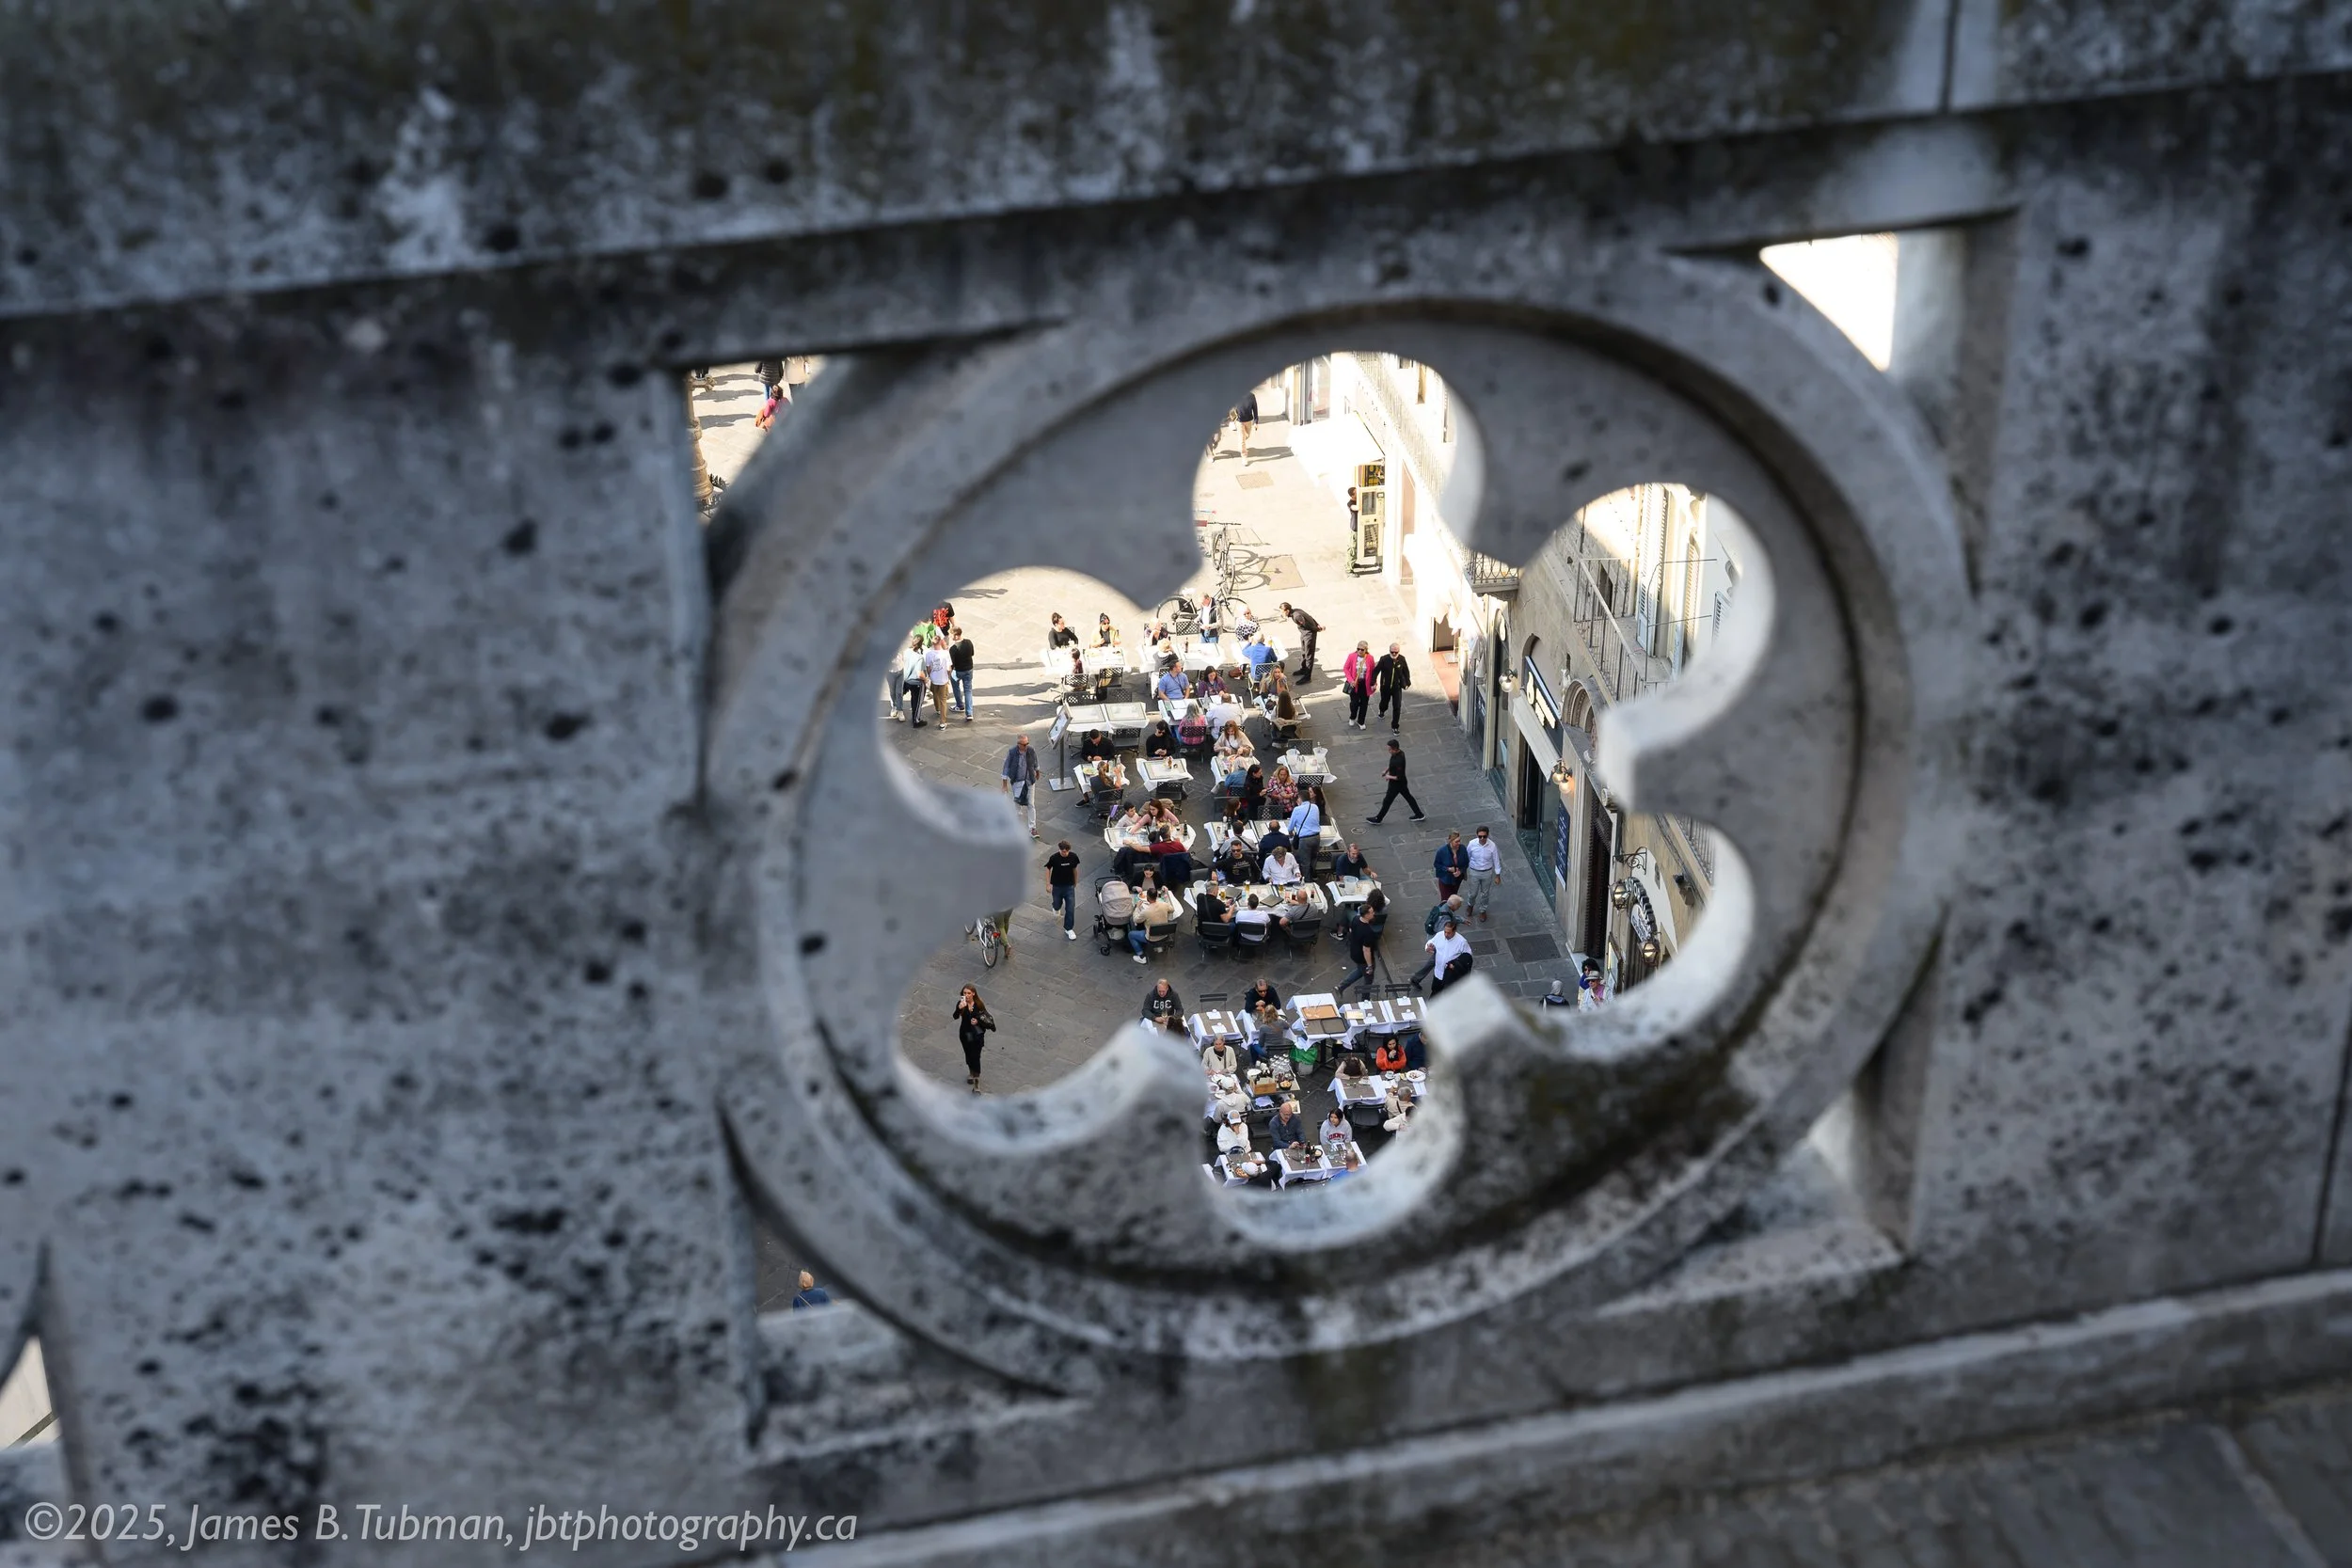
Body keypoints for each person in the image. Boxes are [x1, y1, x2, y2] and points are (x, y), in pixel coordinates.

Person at [1336, 888, 1389, 999]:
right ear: (1366, 915)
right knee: (1368, 978)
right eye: (1371, 913)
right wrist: (1370, 965)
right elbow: (1366, 950)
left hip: (1354, 951)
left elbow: (1351, 931)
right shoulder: (1368, 932)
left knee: (1360, 971)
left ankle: (1341, 986)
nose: (1373, 913)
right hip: (1362, 957)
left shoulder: (1355, 919)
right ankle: (1365, 999)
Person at [1409, 895, 1470, 990]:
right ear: (1453, 905)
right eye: (1458, 905)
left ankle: (1417, 978)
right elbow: (1443, 933)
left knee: (1434, 961)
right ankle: (1417, 978)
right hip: (1436, 941)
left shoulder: (1445, 904)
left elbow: (1452, 918)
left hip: (1433, 938)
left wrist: (1461, 920)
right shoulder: (1445, 919)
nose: (1459, 907)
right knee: (1435, 961)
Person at [1365, 739, 1425, 823]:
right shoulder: (1397, 753)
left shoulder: (1399, 760)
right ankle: (1419, 814)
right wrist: (1386, 770)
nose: (1388, 751)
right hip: (1401, 783)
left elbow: (1398, 777)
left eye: (1390, 749)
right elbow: (1392, 765)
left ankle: (1378, 819)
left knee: (1387, 801)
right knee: (1409, 798)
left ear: (1395, 749)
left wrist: (1388, 776)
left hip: (1396, 785)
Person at [953, 985, 995, 1092]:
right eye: (964, 993)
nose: (966, 995)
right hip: (966, 1034)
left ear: (973, 994)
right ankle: (971, 1072)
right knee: (968, 1054)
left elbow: (985, 1017)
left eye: (968, 993)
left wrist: (978, 1022)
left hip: (977, 1035)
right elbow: (955, 1016)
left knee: (976, 1057)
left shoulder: (979, 1004)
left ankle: (976, 1083)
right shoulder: (961, 1004)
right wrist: (959, 1009)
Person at [1129, 881, 1183, 962]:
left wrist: (1137, 907)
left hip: (1152, 938)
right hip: (1165, 935)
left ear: (1147, 898)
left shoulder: (1146, 912)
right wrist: (1166, 897)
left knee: (1131, 935)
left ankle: (1141, 956)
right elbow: (1172, 909)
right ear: (1157, 896)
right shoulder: (1164, 905)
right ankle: (1159, 946)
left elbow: (1136, 919)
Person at [1001, 734, 1041, 838]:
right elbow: (1006, 768)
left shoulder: (1031, 750)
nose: (1026, 746)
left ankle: (1032, 828)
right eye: (1024, 744)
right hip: (1017, 782)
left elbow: (1035, 761)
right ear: (1019, 744)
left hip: (1029, 781)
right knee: (1017, 804)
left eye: (1027, 743)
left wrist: (1037, 771)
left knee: (1031, 804)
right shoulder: (1012, 752)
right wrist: (1004, 785)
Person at [1463, 824, 1503, 921]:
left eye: (1484, 836)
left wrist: (1497, 875)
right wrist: (1464, 870)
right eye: (1480, 836)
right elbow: (1467, 857)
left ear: (1487, 835)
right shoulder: (1472, 844)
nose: (1482, 838)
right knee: (1473, 893)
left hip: (1487, 872)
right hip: (1474, 871)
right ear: (1477, 835)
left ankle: (1482, 910)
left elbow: (1496, 860)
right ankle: (1470, 905)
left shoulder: (1492, 846)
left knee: (1485, 894)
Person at [1426, 917, 1474, 996]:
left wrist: (1456, 965)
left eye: (1449, 933)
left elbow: (1468, 956)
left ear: (1454, 931)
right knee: (1435, 992)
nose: (1446, 934)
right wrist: (1428, 947)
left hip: (1450, 974)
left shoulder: (1461, 942)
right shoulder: (1439, 935)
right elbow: (1431, 942)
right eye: (1445, 932)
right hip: (1438, 971)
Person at [1045, 840, 1082, 940]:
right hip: (1057, 886)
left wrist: (1075, 881)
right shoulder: (1054, 858)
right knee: (1057, 903)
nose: (1064, 853)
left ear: (1069, 850)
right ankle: (1055, 907)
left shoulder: (1073, 857)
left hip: (1069, 886)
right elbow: (1048, 868)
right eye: (1062, 851)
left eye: (1065, 851)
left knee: (1070, 908)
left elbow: (1074, 869)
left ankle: (1068, 928)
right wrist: (1048, 884)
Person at [1277, 602, 1321, 680]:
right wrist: (1318, 625)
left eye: (1282, 612)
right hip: (1304, 634)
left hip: (1309, 634)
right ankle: (1303, 669)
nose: (1281, 614)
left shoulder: (1296, 616)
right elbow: (1310, 617)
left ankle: (1307, 676)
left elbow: (1308, 625)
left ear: (1287, 611)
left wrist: (1318, 628)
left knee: (1309, 655)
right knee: (1304, 652)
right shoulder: (1296, 611)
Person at [1374, 641, 1412, 730]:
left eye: (1396, 652)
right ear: (1389, 651)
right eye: (1392, 652)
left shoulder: (1402, 659)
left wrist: (1407, 683)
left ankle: (1395, 726)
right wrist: (1373, 682)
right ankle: (1382, 710)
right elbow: (1376, 671)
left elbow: (1406, 672)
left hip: (1397, 688)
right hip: (1385, 687)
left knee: (1397, 706)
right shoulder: (1384, 659)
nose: (1394, 654)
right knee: (1384, 703)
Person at [1287, 786, 1324, 879]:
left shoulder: (1297, 810)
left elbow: (1290, 828)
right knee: (1313, 858)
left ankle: (1307, 881)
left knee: (1305, 862)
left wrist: (1291, 835)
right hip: (1316, 837)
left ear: (1300, 798)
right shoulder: (1315, 807)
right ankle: (1313, 876)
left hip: (1305, 839)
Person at [896, 638, 930, 727]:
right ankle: (916, 721)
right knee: (917, 702)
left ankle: (895, 708)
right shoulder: (920, 658)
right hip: (916, 683)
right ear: (921, 645)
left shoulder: (906, 652)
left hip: (906, 679)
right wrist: (926, 679)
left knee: (902, 694)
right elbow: (920, 674)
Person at [1343, 640, 1375, 728]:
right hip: (1354, 684)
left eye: (1362, 649)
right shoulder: (1351, 656)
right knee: (1354, 703)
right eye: (1358, 649)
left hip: (1365, 684)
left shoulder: (1370, 658)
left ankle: (1361, 721)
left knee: (1364, 704)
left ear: (1366, 650)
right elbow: (1346, 668)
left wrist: (1374, 683)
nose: (1360, 651)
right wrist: (1350, 680)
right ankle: (1352, 717)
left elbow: (1373, 672)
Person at [947, 624, 976, 721]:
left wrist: (948, 674)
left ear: (956, 635)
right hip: (969, 669)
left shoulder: (953, 649)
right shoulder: (968, 642)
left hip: (958, 671)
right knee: (968, 690)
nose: (950, 637)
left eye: (951, 635)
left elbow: (952, 664)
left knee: (955, 686)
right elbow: (972, 653)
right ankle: (969, 713)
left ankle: (959, 705)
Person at [923, 636, 954, 724]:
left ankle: (937, 709)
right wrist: (948, 677)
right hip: (943, 680)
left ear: (932, 643)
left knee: (935, 694)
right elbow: (949, 668)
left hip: (934, 679)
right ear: (940, 642)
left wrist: (930, 675)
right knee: (943, 700)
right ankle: (942, 722)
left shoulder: (929, 654)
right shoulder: (945, 653)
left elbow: (928, 667)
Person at [1234, 388, 1258, 460]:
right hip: (1239, 420)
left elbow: (1255, 409)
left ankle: (1242, 444)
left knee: (1247, 436)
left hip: (1249, 420)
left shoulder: (1251, 396)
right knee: (1242, 439)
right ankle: (1244, 456)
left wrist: (1256, 422)